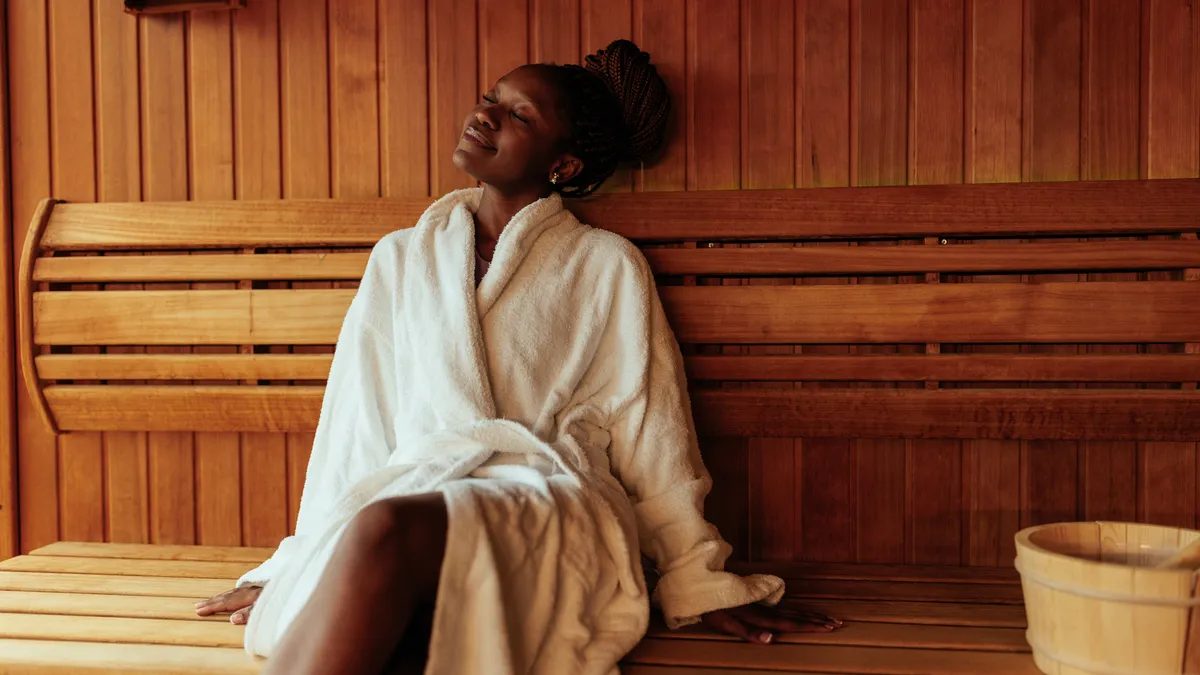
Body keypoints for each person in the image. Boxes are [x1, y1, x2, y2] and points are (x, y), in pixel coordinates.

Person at [194, 39, 841, 675]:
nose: (485, 115)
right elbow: (355, 429)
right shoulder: (401, 258)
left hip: (552, 505)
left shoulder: (605, 266)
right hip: (423, 497)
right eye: (490, 99)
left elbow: (651, 432)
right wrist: (298, 559)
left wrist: (695, 578)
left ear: (561, 165)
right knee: (397, 609)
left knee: (385, 532)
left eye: (519, 114)